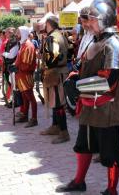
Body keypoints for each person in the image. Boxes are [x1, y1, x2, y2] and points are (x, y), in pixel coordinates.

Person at [56, 0, 119, 195]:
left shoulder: (114, 45)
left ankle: (112, 189)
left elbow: (109, 82)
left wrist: (78, 87)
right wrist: (72, 79)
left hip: (107, 106)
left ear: (105, 19)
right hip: (89, 104)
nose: (87, 24)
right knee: (84, 145)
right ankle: (79, 181)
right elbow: (80, 68)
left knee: (111, 150)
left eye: (91, 19)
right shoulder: (92, 43)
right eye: (86, 20)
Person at [40, 16, 70, 144]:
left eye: (45, 25)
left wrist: (44, 62)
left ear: (48, 24)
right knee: (55, 101)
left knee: (58, 103)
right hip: (60, 71)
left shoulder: (52, 38)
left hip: (55, 73)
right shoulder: (61, 35)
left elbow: (53, 58)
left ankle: (64, 132)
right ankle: (55, 126)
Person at [14, 26, 38, 128]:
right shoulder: (23, 45)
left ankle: (34, 118)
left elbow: (27, 64)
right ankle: (25, 115)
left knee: (30, 97)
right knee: (24, 97)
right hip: (21, 74)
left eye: (18, 33)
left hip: (25, 75)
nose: (16, 35)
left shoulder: (28, 46)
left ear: (23, 33)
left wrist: (16, 68)